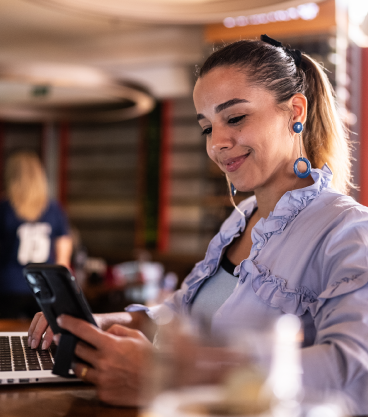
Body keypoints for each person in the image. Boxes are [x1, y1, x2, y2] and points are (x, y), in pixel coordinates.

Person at [28, 36, 368, 414]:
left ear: (295, 112)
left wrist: (174, 375)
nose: (217, 144)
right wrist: (104, 322)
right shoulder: (240, 221)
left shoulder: (349, 230)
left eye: (235, 118)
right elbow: (182, 312)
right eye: (207, 127)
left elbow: (353, 368)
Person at [0, 151, 73, 318]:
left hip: (9, 287)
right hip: (45, 287)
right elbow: (64, 260)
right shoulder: (54, 209)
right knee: (43, 339)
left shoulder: (4, 208)